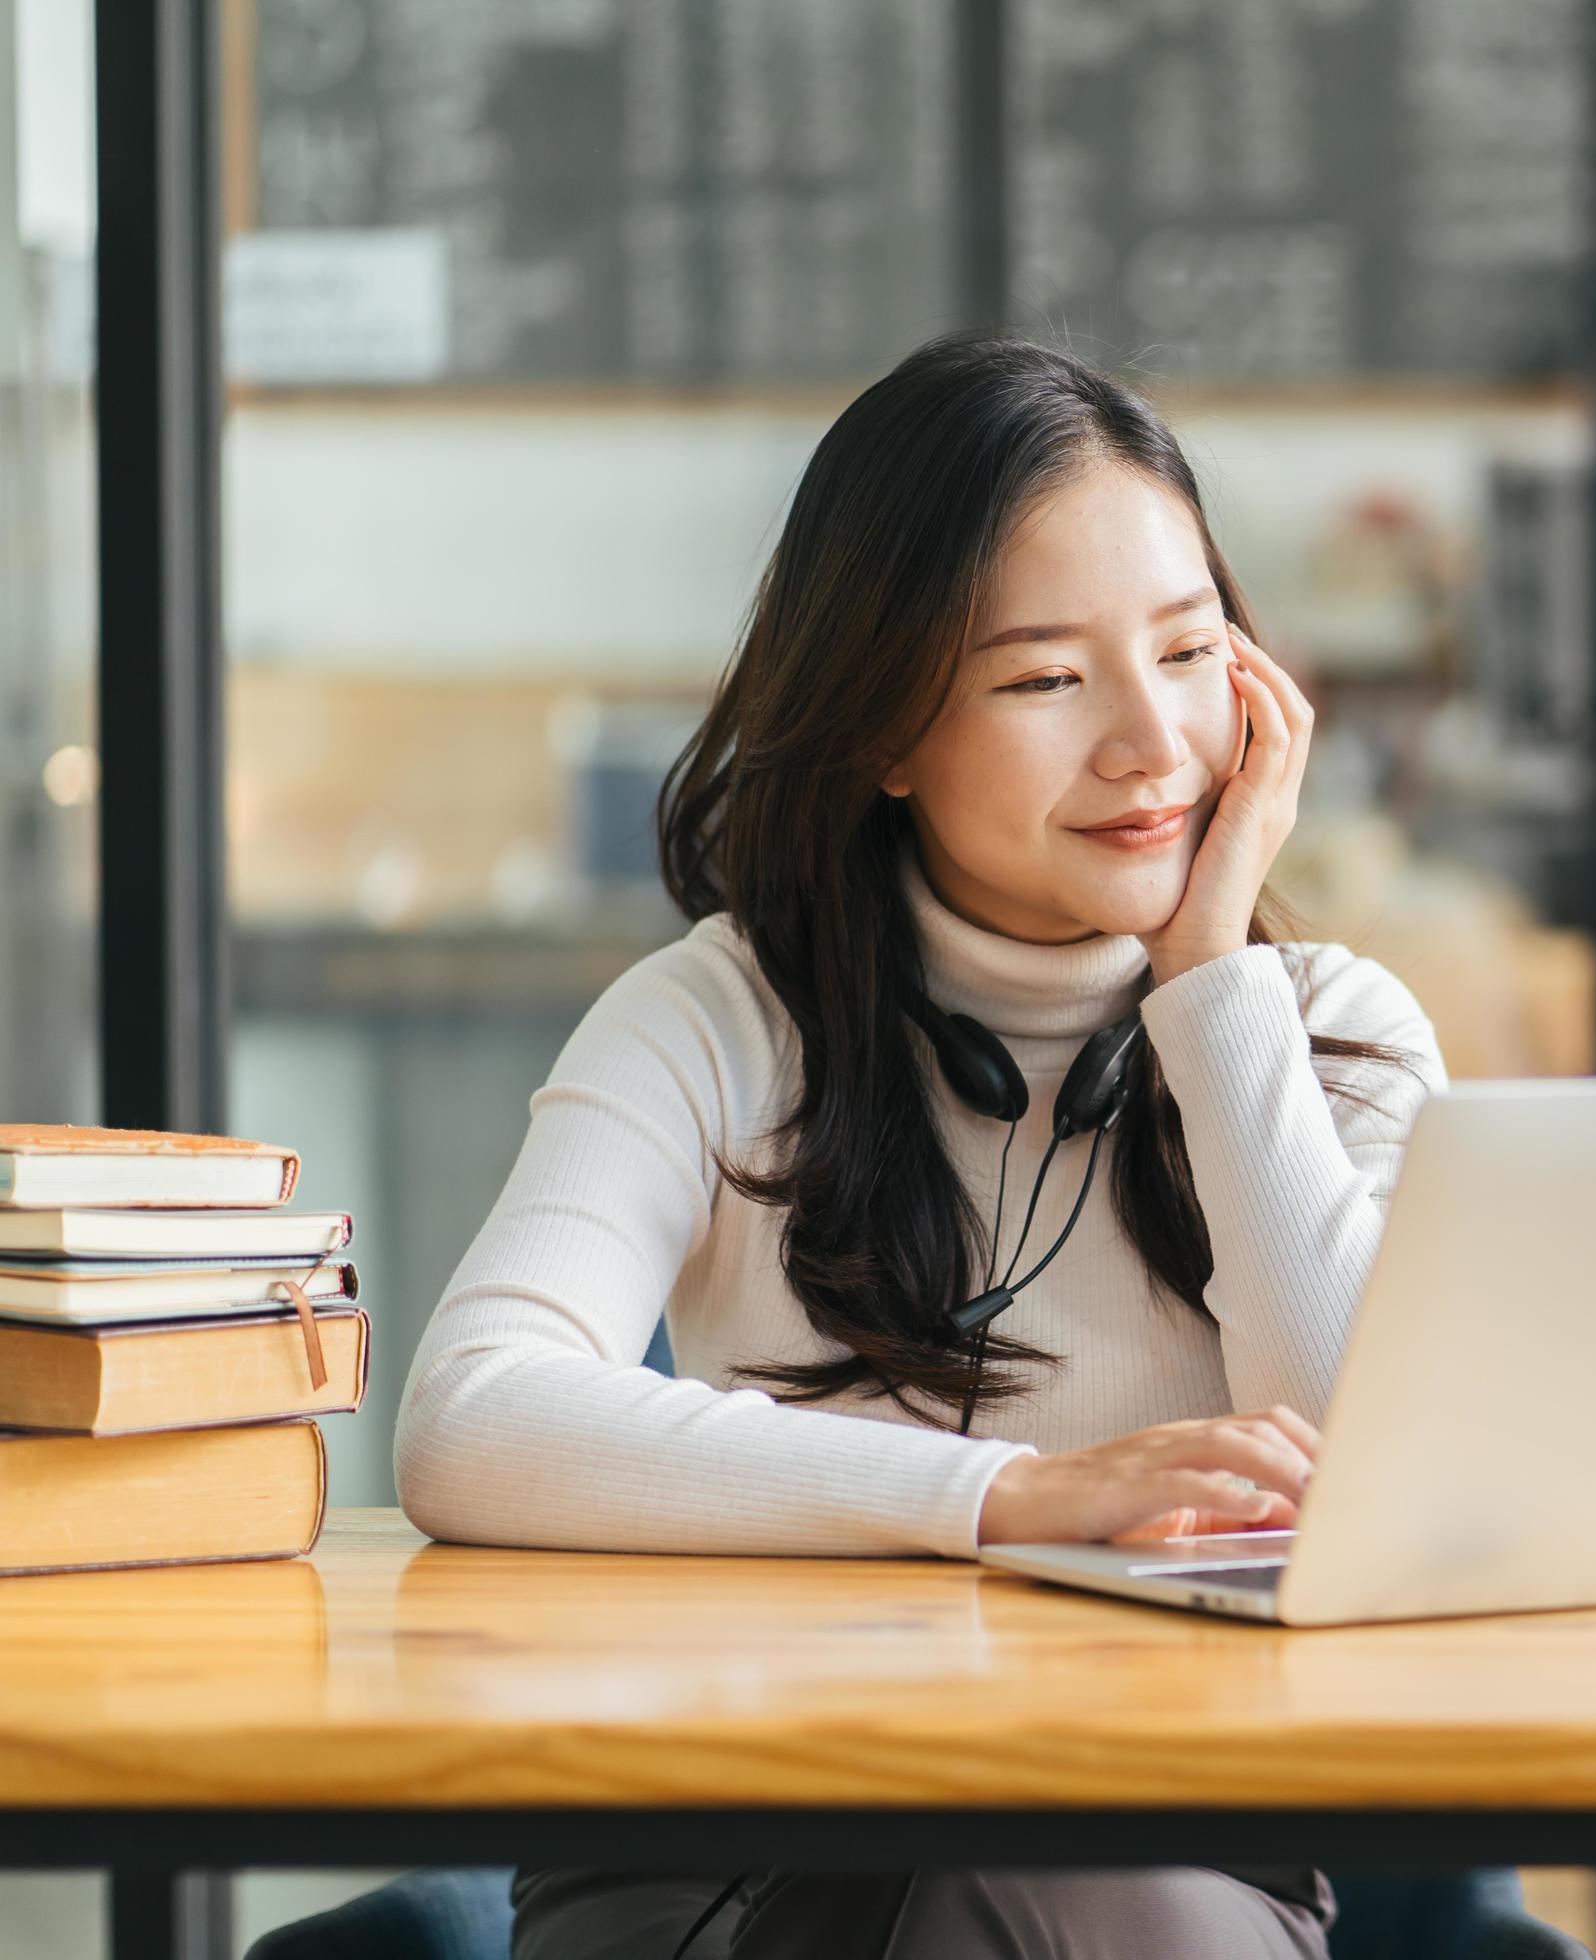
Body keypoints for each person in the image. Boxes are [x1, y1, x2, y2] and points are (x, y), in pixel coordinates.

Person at [394, 334, 1445, 1959]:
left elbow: (1377, 1473)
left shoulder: (1331, 1038)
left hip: (1166, 1850)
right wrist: (1013, 1498)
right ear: (884, 725)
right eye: (1045, 679)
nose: (1153, 745)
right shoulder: (720, 1020)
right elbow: (472, 1420)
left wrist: (1213, 986)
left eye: (1187, 653)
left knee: (1032, 1897)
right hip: (735, 1834)